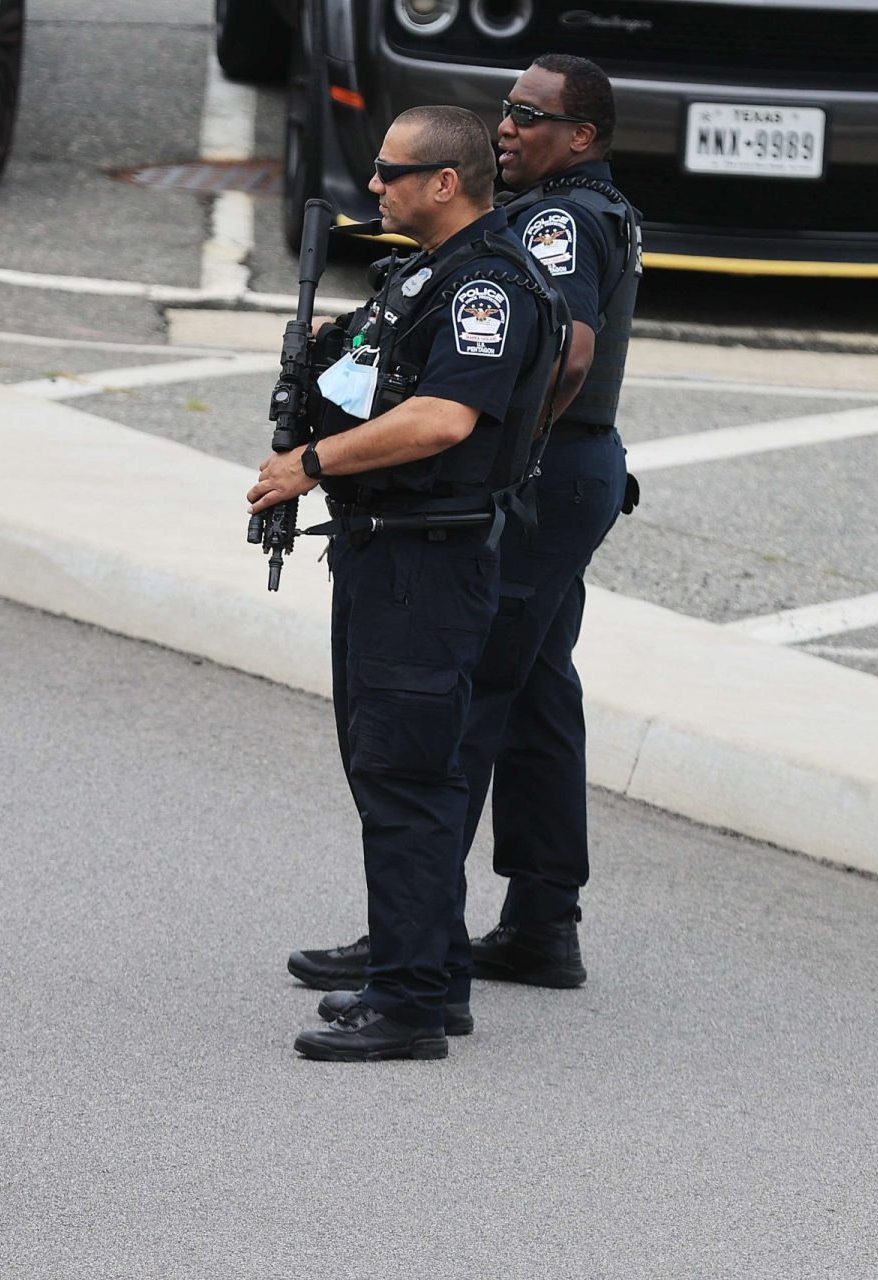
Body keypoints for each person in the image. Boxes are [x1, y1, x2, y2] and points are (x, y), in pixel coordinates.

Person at [289, 57, 641, 1009]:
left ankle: (422, 942)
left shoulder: (560, 218)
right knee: (531, 691)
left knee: (453, 699)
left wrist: (504, 454)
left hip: (544, 476)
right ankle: (537, 920)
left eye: (532, 116)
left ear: (583, 138)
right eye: (506, 111)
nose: (507, 127)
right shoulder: (575, 208)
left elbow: (569, 346)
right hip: (570, 473)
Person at [248, 106, 567, 1061]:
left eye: (393, 171)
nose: (375, 185)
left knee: (408, 776)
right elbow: (374, 381)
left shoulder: (489, 287)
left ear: (446, 183)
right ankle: (425, 970)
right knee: (391, 767)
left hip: (428, 560)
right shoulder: (426, 275)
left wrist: (312, 459)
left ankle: (410, 1004)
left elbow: (441, 421)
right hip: (388, 551)